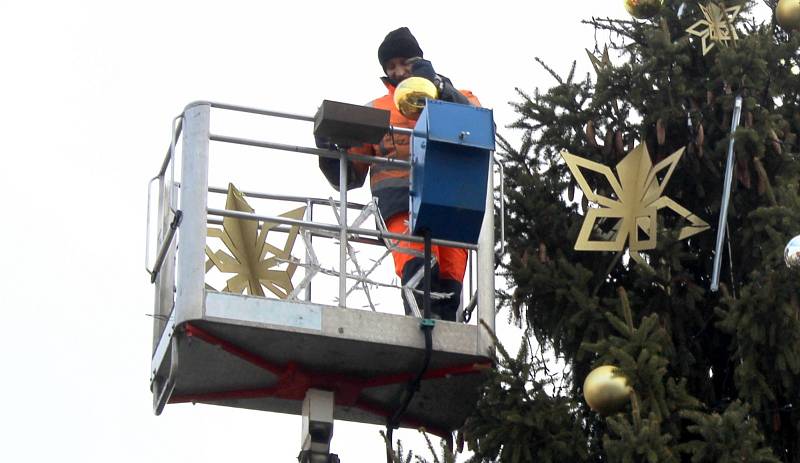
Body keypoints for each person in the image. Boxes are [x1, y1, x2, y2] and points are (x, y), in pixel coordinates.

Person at [318, 27, 480, 321]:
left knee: (450, 274)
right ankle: (422, 326)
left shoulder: (453, 94)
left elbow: (478, 125)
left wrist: (439, 88)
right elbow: (351, 174)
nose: (397, 70)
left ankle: (446, 331)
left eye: (403, 62)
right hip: (399, 204)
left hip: (452, 201)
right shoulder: (377, 111)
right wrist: (327, 149)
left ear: (417, 60)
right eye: (390, 66)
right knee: (417, 268)